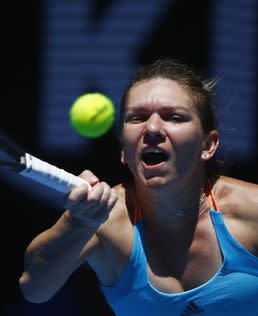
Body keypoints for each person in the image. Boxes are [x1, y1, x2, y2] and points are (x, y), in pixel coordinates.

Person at [19, 58, 258, 315]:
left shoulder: (252, 211)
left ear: (208, 145)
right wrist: (77, 224)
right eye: (137, 117)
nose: (152, 128)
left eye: (173, 117)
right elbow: (34, 288)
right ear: (124, 149)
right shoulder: (105, 221)